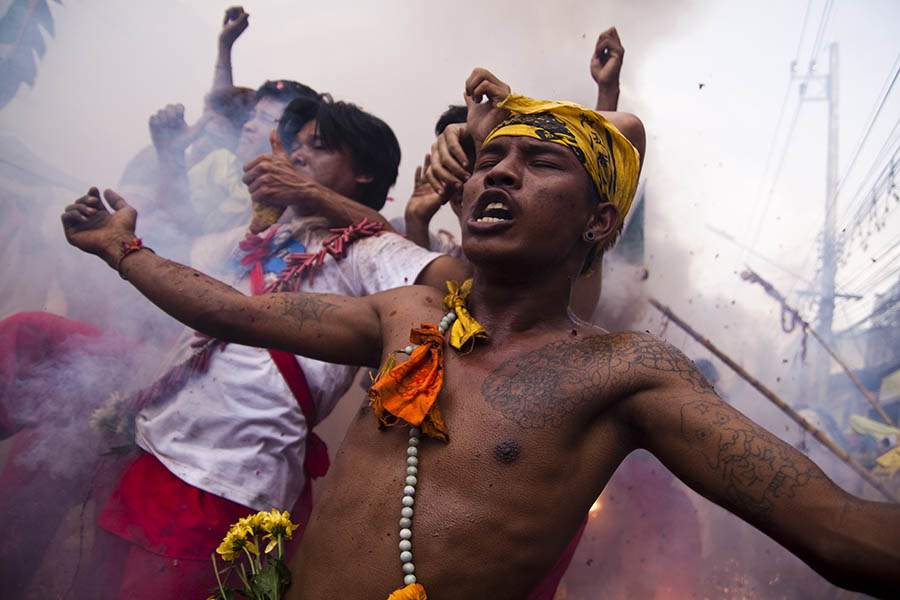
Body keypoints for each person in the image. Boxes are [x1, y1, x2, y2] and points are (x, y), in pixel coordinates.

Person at [62, 71, 899, 600]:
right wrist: (122, 249)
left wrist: (608, 107)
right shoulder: (405, 317)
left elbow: (835, 528)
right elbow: (232, 313)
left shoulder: (621, 374)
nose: (498, 171)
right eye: (492, 159)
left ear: (598, 222)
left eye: (540, 164)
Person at [59, 95, 465, 600]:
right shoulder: (257, 235)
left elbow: (457, 286)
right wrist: (117, 235)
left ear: (364, 175)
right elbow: (180, 267)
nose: (297, 155)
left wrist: (314, 195)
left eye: (318, 148)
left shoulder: (371, 248)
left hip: (226, 482)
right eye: (295, 146)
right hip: (154, 451)